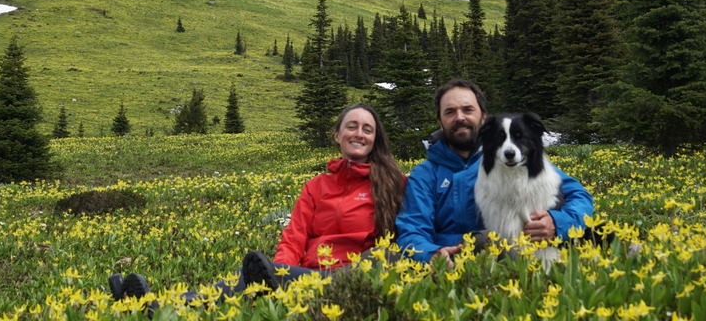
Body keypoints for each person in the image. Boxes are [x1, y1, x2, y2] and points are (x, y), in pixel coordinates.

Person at [110, 103, 406, 304]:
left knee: (257, 276)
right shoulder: (316, 186)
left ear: (375, 139)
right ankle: (156, 304)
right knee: (245, 278)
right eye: (352, 127)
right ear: (337, 135)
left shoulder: (396, 183)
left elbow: (412, 231)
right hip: (307, 273)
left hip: (354, 275)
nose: (359, 134)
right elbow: (294, 236)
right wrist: (279, 271)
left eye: (367, 129)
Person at [395, 79, 594, 269]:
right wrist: (430, 254)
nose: (460, 117)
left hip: (515, 254)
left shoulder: (513, 161)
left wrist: (557, 223)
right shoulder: (424, 174)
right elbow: (412, 229)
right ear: (440, 121)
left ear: (483, 117)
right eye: (450, 112)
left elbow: (581, 197)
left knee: (599, 233)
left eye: (467, 109)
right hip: (456, 259)